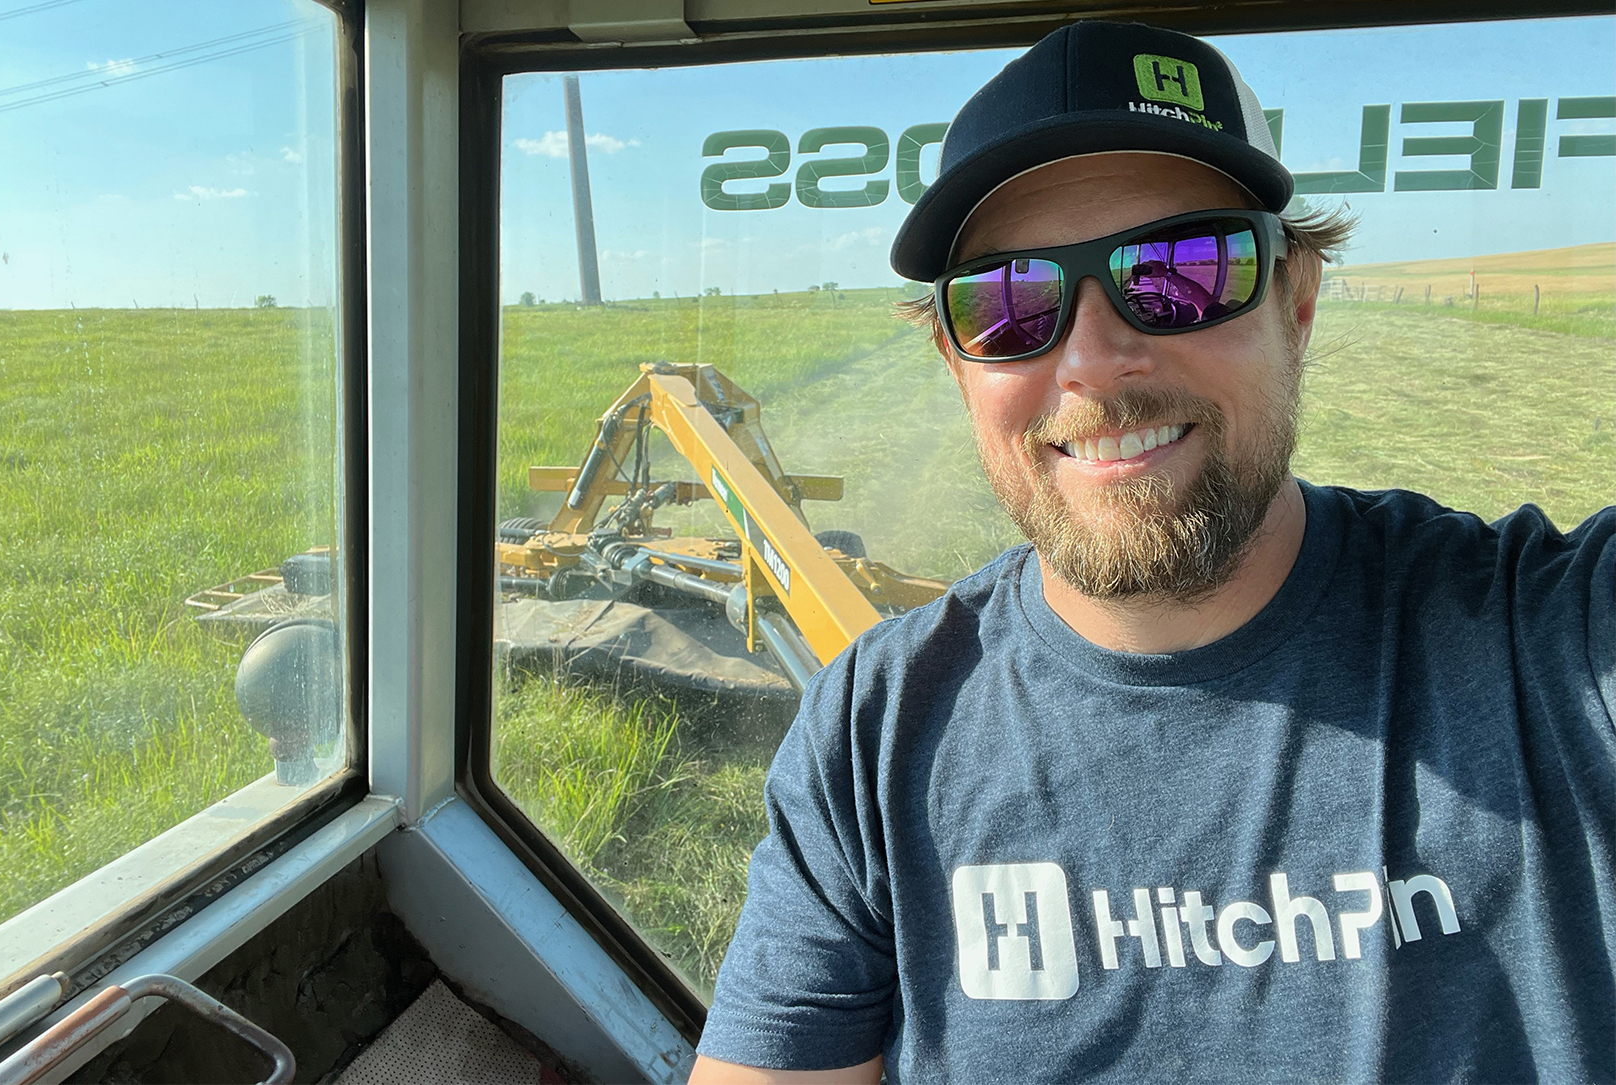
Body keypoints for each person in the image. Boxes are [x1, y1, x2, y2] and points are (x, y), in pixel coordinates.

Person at [690, 20, 1614, 1084]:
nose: (1092, 360)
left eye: (1178, 270)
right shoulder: (874, 732)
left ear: (1296, 303)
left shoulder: (1548, 647)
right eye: (1007, 302)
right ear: (956, 360)